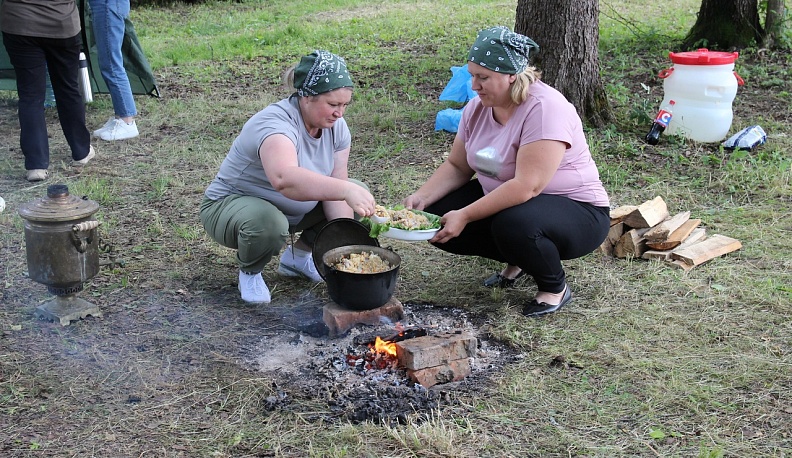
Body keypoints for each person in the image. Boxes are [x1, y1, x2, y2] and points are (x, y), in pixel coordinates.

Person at [404, 26, 610, 317]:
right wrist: (422, 198)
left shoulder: (544, 108)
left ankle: (554, 288)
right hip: (514, 201)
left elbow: (528, 186)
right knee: (435, 214)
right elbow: (457, 166)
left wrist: (465, 215)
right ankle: (520, 258)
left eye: (483, 77)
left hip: (579, 211)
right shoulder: (477, 108)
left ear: (511, 75)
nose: (474, 85)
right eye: (472, 75)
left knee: (513, 224)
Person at [200, 50, 376, 304]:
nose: (340, 113)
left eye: (345, 105)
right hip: (230, 208)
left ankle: (298, 258)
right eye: (333, 104)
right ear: (306, 97)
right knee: (270, 222)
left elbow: (338, 184)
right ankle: (250, 271)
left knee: (355, 194)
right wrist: (344, 190)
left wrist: (345, 246)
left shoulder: (336, 127)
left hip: (291, 211)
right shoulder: (275, 125)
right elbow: (284, 178)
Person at [1, 0, 96, 182]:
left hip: (20, 22)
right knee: (68, 89)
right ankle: (81, 152)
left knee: (30, 96)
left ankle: (36, 165)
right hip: (62, 23)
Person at [88, 0, 139, 141]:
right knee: (109, 62)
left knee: (111, 64)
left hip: (107, 4)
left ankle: (127, 121)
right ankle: (120, 117)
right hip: (105, 5)